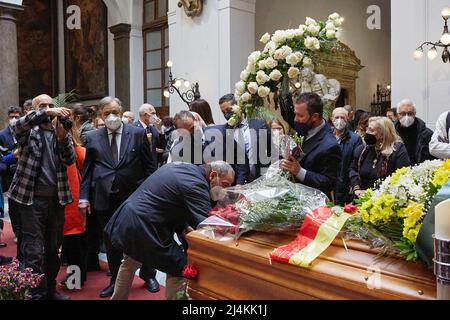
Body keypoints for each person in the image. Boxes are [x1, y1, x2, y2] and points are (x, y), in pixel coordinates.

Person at [105, 161, 235, 300]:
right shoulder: (196, 183)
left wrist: (184, 228)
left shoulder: (186, 169)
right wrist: (232, 231)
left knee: (130, 262)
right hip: (145, 227)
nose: (224, 191)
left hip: (130, 219)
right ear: (213, 175)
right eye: (225, 185)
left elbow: (171, 202)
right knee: (180, 269)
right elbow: (207, 223)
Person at [79, 96, 156, 298]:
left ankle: (149, 274)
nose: (112, 116)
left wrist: (149, 195)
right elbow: (88, 170)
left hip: (134, 198)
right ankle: (115, 280)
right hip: (105, 198)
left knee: (142, 236)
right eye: (107, 113)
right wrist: (83, 197)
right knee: (112, 241)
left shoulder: (138, 133)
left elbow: (150, 168)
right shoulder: (94, 137)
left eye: (115, 112)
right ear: (101, 116)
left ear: (121, 112)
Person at [8, 94, 76, 300]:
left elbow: (70, 160)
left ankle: (50, 289)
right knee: (34, 250)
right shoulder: (29, 132)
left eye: (50, 105)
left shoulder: (60, 132)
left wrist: (64, 137)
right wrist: (46, 112)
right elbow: (17, 125)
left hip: (56, 200)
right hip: (31, 200)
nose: (48, 109)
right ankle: (35, 293)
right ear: (34, 110)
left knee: (53, 248)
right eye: (42, 106)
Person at [281, 92, 342, 199]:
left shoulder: (330, 145)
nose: (295, 119)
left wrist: (300, 172)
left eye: (300, 115)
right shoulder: (305, 128)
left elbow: (329, 183)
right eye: (295, 114)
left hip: (314, 203)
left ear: (315, 116)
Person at [204, 94, 271, 184]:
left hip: (260, 180)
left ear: (238, 107)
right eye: (223, 112)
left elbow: (271, 151)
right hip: (237, 183)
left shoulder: (259, 125)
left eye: (229, 110)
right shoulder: (224, 131)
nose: (226, 114)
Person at [350, 117, 411, 198]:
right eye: (367, 128)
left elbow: (401, 177)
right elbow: (353, 169)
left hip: (385, 198)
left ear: (382, 134)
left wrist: (373, 193)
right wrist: (356, 188)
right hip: (360, 197)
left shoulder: (397, 151)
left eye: (371, 130)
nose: (367, 132)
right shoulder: (363, 149)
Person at [60, 125, 87, 288]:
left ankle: (75, 280)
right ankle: (76, 279)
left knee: (74, 247)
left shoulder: (77, 150)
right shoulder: (78, 149)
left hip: (74, 206)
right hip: (69, 204)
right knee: (72, 246)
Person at [0, 106, 21, 251]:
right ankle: (18, 231)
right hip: (10, 173)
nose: (14, 119)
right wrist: (12, 156)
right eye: (12, 116)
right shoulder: (2, 134)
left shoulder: (26, 131)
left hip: (26, 172)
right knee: (13, 205)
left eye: (17, 116)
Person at [331, 108, 362, 205]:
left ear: (347, 119)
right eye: (337, 117)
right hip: (329, 183)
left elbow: (355, 164)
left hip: (345, 185)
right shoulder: (327, 136)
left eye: (342, 118)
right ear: (332, 119)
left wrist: (353, 184)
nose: (339, 120)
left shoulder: (355, 139)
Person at [394, 99, 433, 165]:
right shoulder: (391, 132)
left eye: (410, 113)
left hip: (418, 171)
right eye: (403, 114)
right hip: (396, 171)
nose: (406, 116)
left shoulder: (426, 134)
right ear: (397, 115)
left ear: (414, 114)